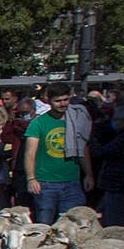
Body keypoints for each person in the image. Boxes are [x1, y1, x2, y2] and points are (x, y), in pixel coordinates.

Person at [23, 86, 86, 221]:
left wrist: (89, 175)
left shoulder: (76, 121)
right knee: (44, 226)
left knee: (72, 226)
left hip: (72, 181)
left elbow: (83, 149)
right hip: (45, 183)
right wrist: (31, 178)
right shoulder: (38, 123)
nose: (62, 104)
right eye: (58, 101)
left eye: (65, 100)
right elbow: (29, 153)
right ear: (49, 101)